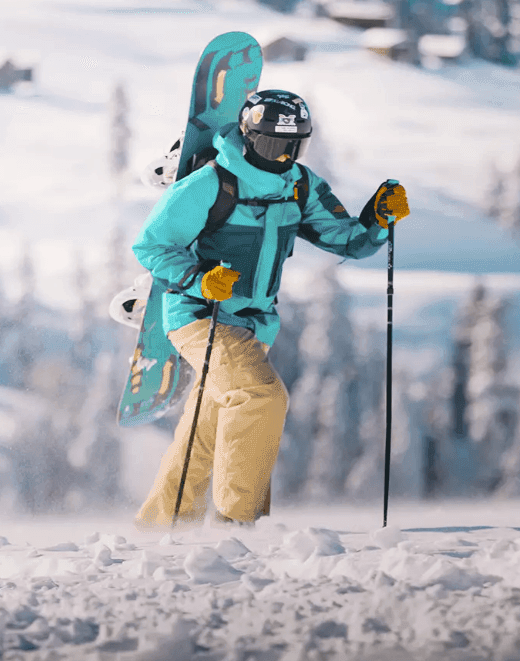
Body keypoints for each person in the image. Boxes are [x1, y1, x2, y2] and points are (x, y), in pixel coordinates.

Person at [131, 89, 410, 528]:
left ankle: (163, 527)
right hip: (201, 316)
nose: (282, 158)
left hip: (254, 326)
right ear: (249, 136)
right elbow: (152, 245)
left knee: (208, 427)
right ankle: (239, 525)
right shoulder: (210, 184)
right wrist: (199, 278)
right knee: (260, 397)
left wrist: (377, 219)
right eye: (272, 146)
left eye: (293, 147)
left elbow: (347, 240)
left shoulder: (300, 186)